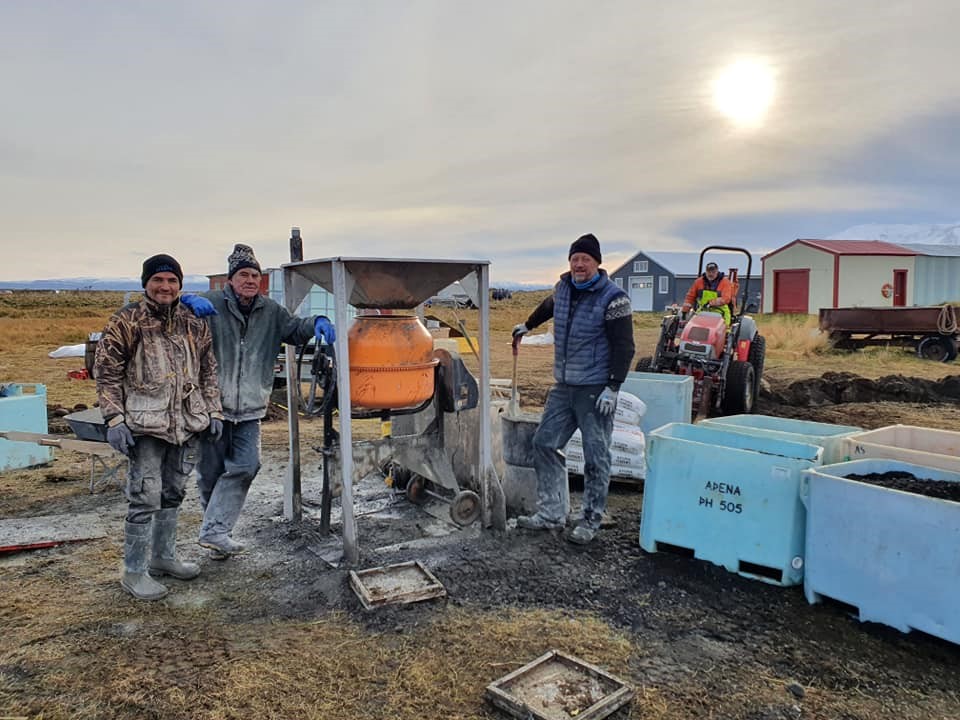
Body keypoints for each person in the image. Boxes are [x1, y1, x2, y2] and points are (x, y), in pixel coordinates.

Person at [178, 244, 335, 558]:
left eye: (255, 275)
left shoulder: (271, 311)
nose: (250, 280)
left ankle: (214, 531)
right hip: (213, 407)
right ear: (231, 279)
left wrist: (316, 321)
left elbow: (294, 329)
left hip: (250, 407)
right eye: (244, 275)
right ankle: (218, 535)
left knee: (248, 465)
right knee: (210, 473)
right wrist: (184, 301)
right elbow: (167, 314)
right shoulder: (209, 305)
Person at [95, 254, 223, 601]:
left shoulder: (193, 322)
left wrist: (214, 412)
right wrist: (114, 418)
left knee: (173, 492)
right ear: (145, 284)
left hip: (186, 424)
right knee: (145, 496)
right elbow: (106, 372)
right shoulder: (126, 321)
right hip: (144, 424)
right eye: (158, 280)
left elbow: (209, 370)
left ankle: (163, 557)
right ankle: (134, 572)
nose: (165, 286)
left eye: (172, 280)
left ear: (180, 285)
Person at [511, 233, 635, 544]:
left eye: (585, 259)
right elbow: (549, 306)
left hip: (595, 388)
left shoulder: (614, 298)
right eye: (575, 258)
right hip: (564, 385)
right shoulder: (563, 288)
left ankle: (591, 519)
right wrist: (528, 325)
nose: (579, 264)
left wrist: (614, 386)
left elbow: (625, 346)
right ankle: (551, 513)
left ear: (597, 263)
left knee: (596, 455)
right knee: (544, 443)